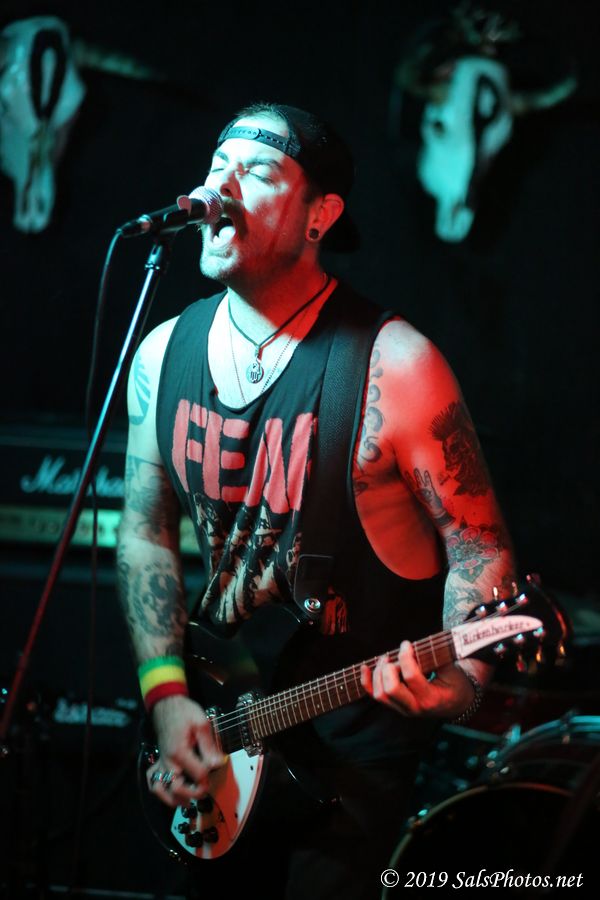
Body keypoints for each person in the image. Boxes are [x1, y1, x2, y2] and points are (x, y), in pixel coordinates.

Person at [116, 102, 516, 899]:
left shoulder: (397, 367)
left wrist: (464, 682)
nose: (221, 186)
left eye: (257, 172)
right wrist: (166, 694)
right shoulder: (162, 354)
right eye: (217, 165)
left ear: (320, 216)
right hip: (219, 730)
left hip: (350, 757)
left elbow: (480, 544)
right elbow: (144, 531)